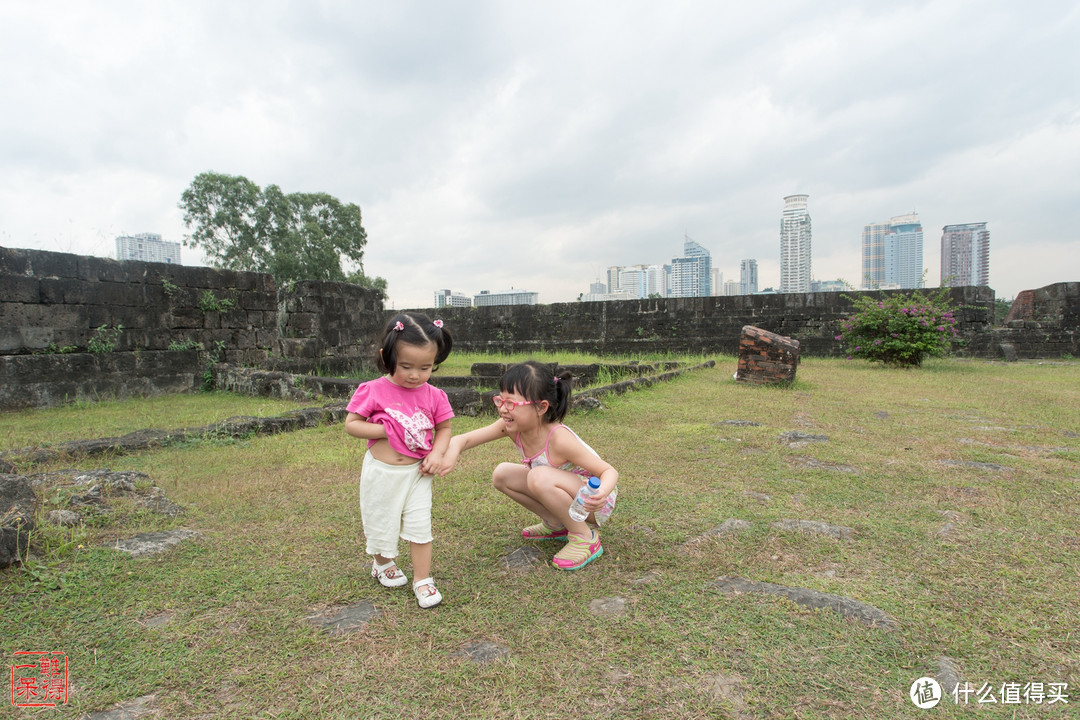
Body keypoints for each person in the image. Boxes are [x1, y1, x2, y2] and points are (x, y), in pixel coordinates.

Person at [442, 361, 618, 570]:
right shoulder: (511, 427)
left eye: (511, 403)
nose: (502, 409)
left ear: (541, 407)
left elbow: (608, 471)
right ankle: (556, 524)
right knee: (502, 474)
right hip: (561, 489)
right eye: (500, 400)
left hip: (593, 501)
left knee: (538, 476)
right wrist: (451, 453)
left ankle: (584, 537)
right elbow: (463, 440)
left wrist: (600, 494)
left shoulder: (559, 438)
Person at [344, 312, 454, 608]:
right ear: (387, 356)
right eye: (406, 366)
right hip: (382, 474)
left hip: (418, 473)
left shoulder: (434, 395)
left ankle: (423, 579)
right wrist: (385, 429)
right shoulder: (373, 390)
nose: (415, 375)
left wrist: (437, 453)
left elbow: (444, 428)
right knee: (383, 520)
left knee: (420, 525)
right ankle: (382, 563)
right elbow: (352, 424)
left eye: (425, 367)